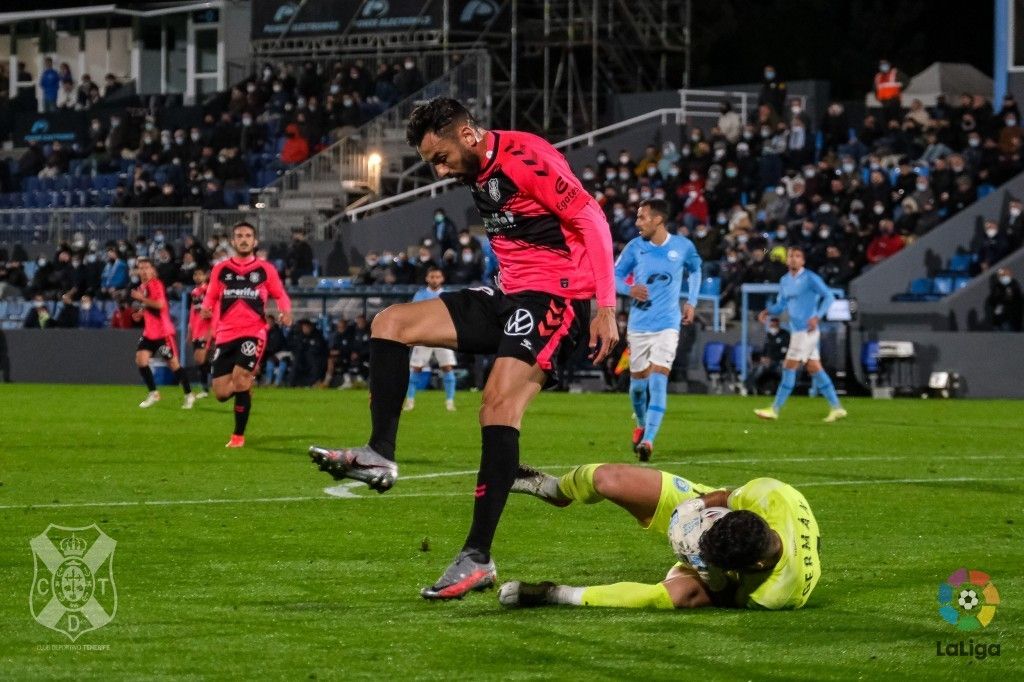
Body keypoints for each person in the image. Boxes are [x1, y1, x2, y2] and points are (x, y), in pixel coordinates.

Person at [308, 96, 618, 600]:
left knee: (497, 405)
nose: (439, 170)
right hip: (506, 292)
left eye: (441, 158)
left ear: (468, 135)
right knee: (392, 323)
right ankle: (379, 455)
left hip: (557, 296)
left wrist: (606, 305)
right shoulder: (475, 168)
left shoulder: (526, 158)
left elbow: (592, 220)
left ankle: (477, 556)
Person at [498, 462, 820, 611]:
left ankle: (553, 594)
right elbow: (723, 497)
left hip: (722, 568)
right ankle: (555, 489)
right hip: (709, 518)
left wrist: (708, 571)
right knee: (606, 478)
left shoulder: (775, 594)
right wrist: (693, 508)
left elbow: (726, 597)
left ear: (758, 563)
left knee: (672, 597)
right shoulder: (771, 496)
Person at [614, 199, 701, 462]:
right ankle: (641, 423)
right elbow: (613, 276)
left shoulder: (683, 246)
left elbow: (696, 270)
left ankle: (649, 441)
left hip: (668, 324)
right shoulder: (635, 248)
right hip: (640, 325)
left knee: (658, 377)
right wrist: (629, 289)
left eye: (642, 217)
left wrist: (692, 302)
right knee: (638, 388)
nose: (637, 223)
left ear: (658, 220)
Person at [201, 222, 292, 447]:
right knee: (221, 393)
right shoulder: (221, 269)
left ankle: (238, 437)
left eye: (248, 236)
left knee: (240, 378)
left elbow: (280, 294)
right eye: (239, 235)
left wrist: (285, 311)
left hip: (254, 331)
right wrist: (206, 307)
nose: (243, 239)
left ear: (255, 241)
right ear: (233, 241)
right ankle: (246, 383)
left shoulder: (265, 269)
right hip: (225, 334)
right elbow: (211, 294)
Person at [754, 247, 846, 422]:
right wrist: (768, 311)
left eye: (797, 256)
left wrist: (817, 316)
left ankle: (774, 409)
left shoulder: (810, 278)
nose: (793, 259)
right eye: (790, 256)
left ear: (803, 261)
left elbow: (828, 296)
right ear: (787, 260)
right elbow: (781, 305)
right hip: (796, 330)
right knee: (814, 368)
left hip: (807, 331)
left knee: (789, 367)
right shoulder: (784, 280)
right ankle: (837, 408)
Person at [132, 258, 194, 409]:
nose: (144, 271)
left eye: (147, 268)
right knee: (141, 360)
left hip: (163, 333)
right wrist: (140, 313)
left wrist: (142, 299)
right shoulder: (142, 286)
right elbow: (150, 307)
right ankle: (153, 393)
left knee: (173, 365)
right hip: (149, 333)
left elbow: (159, 305)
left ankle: (188, 394)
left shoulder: (156, 284)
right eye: (141, 268)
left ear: (153, 270)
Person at [403, 267, 458, 412]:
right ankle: (410, 401)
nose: (435, 279)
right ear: (427, 278)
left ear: (442, 279)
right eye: (432, 277)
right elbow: (414, 315)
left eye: (437, 277)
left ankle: (450, 401)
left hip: (443, 336)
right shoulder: (420, 295)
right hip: (424, 336)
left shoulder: (448, 295)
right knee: (416, 368)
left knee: (447, 367)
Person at [745, 317, 790, 395]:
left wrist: (771, 359)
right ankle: (750, 389)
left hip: (779, 361)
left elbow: (785, 351)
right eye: (771, 322)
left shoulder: (785, 335)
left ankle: (783, 392)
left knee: (783, 373)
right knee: (756, 370)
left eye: (774, 322)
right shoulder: (769, 335)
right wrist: (763, 357)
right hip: (767, 362)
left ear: (778, 323)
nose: (772, 324)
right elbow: (765, 349)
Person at [188, 267, 213, 398]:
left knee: (201, 358)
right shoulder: (194, 292)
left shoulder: (209, 290)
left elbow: (214, 310)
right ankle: (205, 388)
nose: (197, 277)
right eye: (195, 274)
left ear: (205, 276)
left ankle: (208, 387)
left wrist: (211, 315)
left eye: (200, 274)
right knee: (199, 361)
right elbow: (193, 312)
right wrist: (190, 329)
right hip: (197, 330)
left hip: (207, 329)